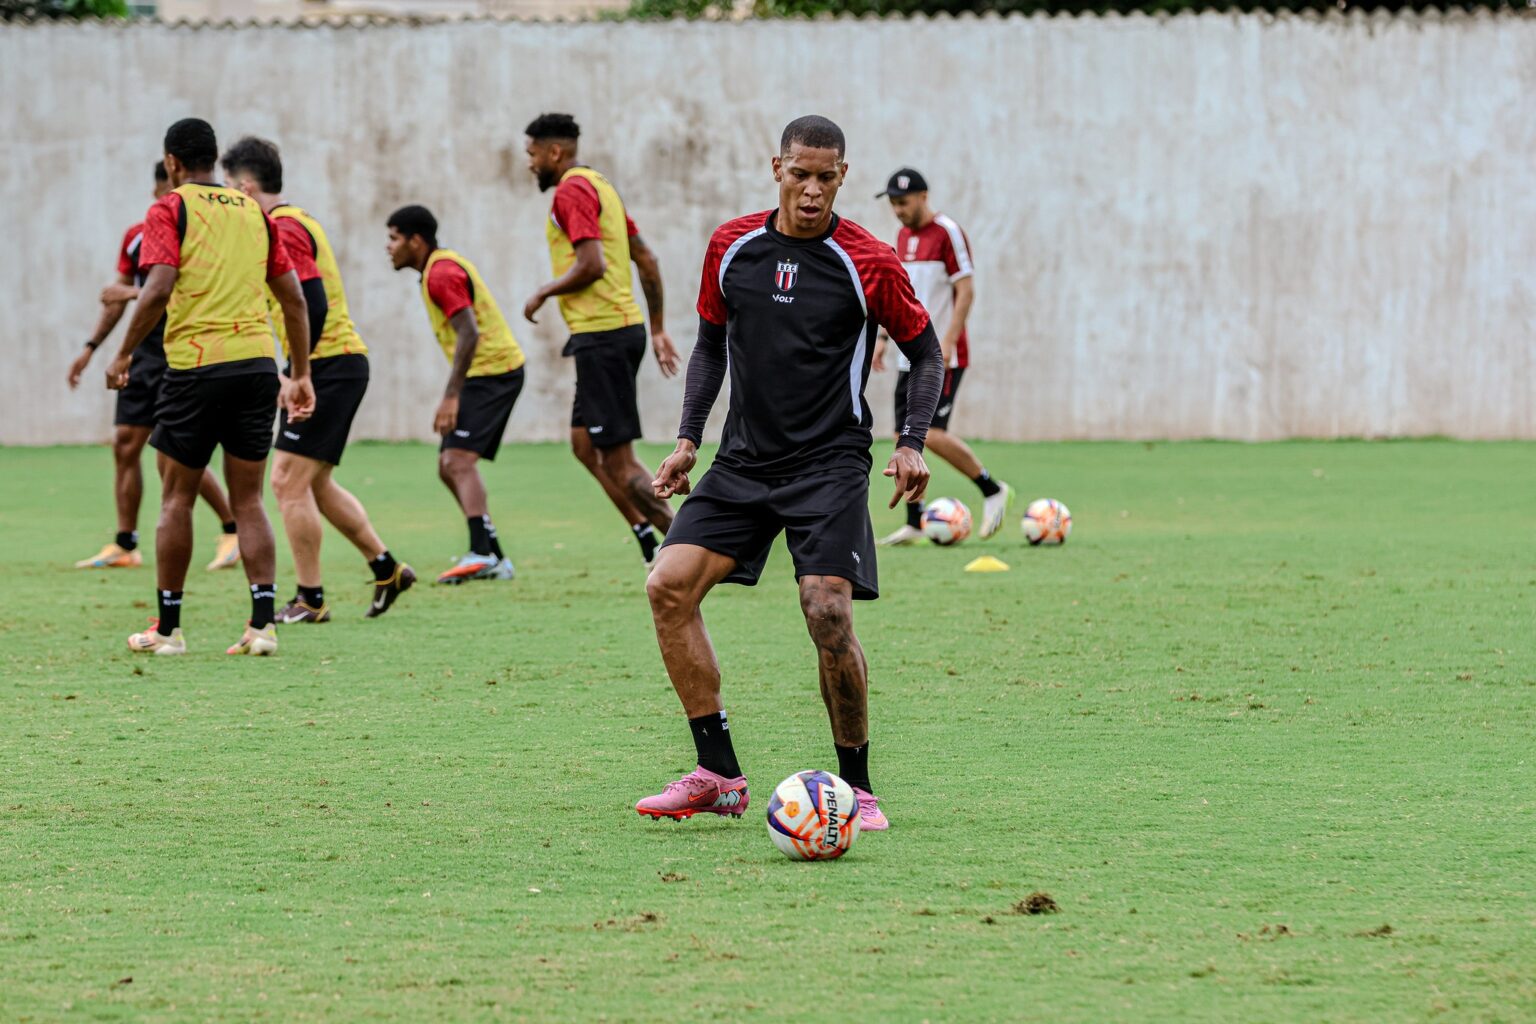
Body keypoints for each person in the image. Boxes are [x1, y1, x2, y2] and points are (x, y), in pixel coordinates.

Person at [638, 116, 946, 832]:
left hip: (830, 461)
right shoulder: (731, 246)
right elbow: (710, 346)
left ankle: (858, 788)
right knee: (667, 587)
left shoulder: (868, 260)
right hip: (743, 459)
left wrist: (910, 441)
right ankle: (717, 774)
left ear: (844, 176)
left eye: (826, 177)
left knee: (827, 610)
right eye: (799, 174)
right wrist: (688, 440)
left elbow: (925, 353)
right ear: (776, 166)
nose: (811, 190)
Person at [106, 117, 315, 656]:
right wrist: (302, 373)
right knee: (248, 499)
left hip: (195, 368)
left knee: (176, 496)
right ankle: (262, 627)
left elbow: (156, 288)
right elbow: (292, 298)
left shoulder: (169, 208)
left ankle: (169, 631)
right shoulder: (254, 212)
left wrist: (124, 351)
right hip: (256, 367)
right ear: (214, 160)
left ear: (173, 163)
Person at [221, 137, 414, 621]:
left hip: (329, 366)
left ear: (247, 186)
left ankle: (311, 598)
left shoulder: (283, 226)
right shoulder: (291, 222)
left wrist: (296, 374)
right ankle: (388, 569)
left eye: (228, 188)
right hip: (335, 364)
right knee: (315, 484)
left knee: (286, 480)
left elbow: (313, 303)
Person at [522, 113, 680, 567]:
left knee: (618, 462)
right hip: (616, 331)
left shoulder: (571, 189)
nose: (531, 164)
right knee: (583, 445)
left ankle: (690, 546)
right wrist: (656, 326)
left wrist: (542, 292)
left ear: (555, 152)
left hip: (603, 335)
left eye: (533, 154)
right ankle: (649, 538)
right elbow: (645, 259)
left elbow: (592, 264)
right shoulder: (600, 186)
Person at [68, 160, 242, 572]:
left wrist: (129, 295)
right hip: (143, 352)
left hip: (183, 346)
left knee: (175, 452)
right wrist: (92, 347)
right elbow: (119, 293)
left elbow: (174, 285)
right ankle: (126, 543)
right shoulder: (136, 236)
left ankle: (232, 527)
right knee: (126, 442)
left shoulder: (203, 228)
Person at [872, 168, 1013, 544]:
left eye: (903, 202)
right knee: (903, 436)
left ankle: (992, 488)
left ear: (923, 196)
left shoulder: (947, 232)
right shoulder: (902, 238)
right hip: (908, 353)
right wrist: (884, 337)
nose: (898, 210)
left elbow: (965, 291)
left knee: (930, 434)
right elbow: (900, 294)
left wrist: (948, 341)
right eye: (893, 204)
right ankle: (915, 520)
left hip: (940, 355)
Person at [386, 205, 524, 584]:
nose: (389, 247)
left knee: (458, 461)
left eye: (394, 238)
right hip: (487, 373)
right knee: (448, 465)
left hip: (493, 372)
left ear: (416, 241)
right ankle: (493, 555)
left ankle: (482, 553)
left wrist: (451, 395)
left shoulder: (441, 273)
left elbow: (470, 333)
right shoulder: (438, 268)